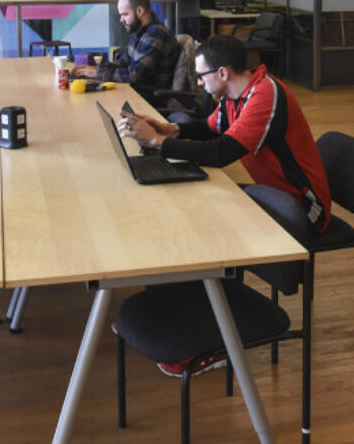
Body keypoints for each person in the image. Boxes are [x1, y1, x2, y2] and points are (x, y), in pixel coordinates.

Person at [116, 34, 331, 377]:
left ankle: (211, 340)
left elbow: (222, 153)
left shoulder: (265, 96)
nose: (199, 83)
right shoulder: (235, 96)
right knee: (194, 211)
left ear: (224, 73)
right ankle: (178, 314)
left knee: (205, 224)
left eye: (202, 76)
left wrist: (158, 143)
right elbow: (209, 130)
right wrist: (170, 130)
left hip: (303, 209)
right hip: (272, 194)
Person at [72, 0, 179, 98]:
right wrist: (97, 68)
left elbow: (134, 75)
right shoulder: (139, 30)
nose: (121, 20)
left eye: (125, 15)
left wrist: (97, 73)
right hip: (135, 91)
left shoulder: (156, 34)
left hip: (149, 97)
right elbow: (125, 60)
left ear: (140, 11)